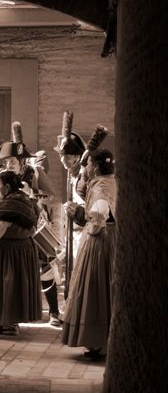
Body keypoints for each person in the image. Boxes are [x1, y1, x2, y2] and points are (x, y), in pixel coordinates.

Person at [61, 148, 116, 361]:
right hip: (110, 238)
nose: (87, 167)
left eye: (90, 163)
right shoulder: (110, 181)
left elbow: (100, 213)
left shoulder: (102, 186)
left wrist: (87, 222)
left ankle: (98, 342)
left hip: (100, 242)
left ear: (97, 166)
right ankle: (102, 342)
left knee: (95, 288)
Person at [0, 170, 42, 335]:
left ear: (7, 187)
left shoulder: (9, 206)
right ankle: (10, 321)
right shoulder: (26, 200)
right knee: (17, 286)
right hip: (25, 250)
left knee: (7, 287)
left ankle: (7, 323)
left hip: (8, 253)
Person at [28, 150, 62, 327]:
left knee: (46, 268)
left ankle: (54, 311)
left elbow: (51, 199)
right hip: (20, 228)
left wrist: (32, 193)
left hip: (40, 230)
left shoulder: (38, 175)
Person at [54, 130, 87, 262]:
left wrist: (77, 211)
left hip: (84, 235)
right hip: (74, 235)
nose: (63, 160)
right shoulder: (72, 175)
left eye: (67, 157)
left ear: (77, 157)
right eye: (61, 156)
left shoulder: (84, 177)